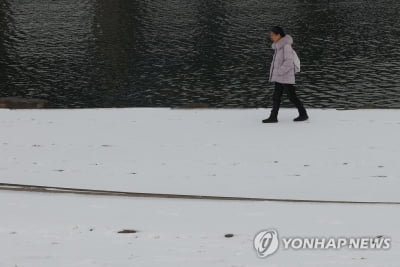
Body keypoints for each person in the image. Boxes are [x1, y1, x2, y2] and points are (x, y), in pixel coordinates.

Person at [262, 26, 308, 123]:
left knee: (291, 96)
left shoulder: (286, 46)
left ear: (279, 35)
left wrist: (279, 72)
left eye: (273, 35)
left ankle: (303, 114)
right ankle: (273, 116)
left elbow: (289, 62)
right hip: (280, 77)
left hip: (285, 77)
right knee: (276, 97)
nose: (271, 37)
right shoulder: (278, 47)